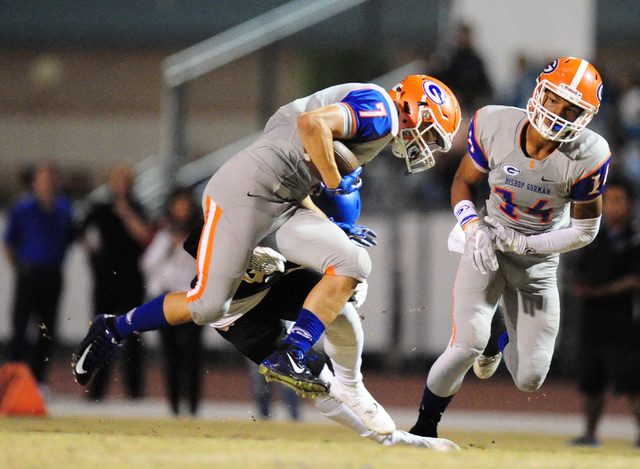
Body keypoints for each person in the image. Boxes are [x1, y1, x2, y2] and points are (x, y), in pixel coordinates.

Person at [72, 74, 462, 431]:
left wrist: (335, 227)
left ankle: (295, 352)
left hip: (285, 200)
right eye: (429, 134)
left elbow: (297, 139)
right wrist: (335, 181)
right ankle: (113, 327)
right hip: (247, 193)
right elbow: (311, 126)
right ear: (415, 109)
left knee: (353, 261)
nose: (425, 146)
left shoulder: (375, 119)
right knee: (208, 305)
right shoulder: (381, 111)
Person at [409, 57, 611, 439]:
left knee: (530, 378)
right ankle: (424, 429)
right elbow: (462, 183)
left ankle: (498, 335)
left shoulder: (590, 154)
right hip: (489, 248)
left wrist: (528, 243)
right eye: (554, 100)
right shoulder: (495, 123)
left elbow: (585, 230)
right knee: (465, 346)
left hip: (537, 265)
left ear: (586, 116)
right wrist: (472, 227)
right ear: (539, 92)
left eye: (572, 109)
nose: (558, 113)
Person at [565, 178, 640, 448]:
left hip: (625, 322)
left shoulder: (635, 240)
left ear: (631, 205)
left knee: (633, 381)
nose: (613, 207)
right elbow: (578, 272)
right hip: (593, 320)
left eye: (620, 200)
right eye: (609, 201)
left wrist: (601, 291)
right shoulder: (594, 239)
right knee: (591, 381)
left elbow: (634, 280)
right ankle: (589, 433)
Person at [79, 164, 153, 400]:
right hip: (105, 280)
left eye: (126, 181)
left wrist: (126, 213)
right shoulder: (99, 208)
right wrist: (92, 254)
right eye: (118, 181)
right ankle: (96, 390)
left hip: (131, 279)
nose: (122, 186)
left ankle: (134, 391)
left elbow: (145, 236)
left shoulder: (139, 208)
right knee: (100, 334)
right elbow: (80, 231)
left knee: (132, 334)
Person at [3, 163, 74, 389]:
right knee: (20, 326)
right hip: (29, 273)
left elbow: (69, 237)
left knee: (47, 328)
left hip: (52, 274)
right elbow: (10, 242)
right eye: (43, 180)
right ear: (35, 182)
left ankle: (38, 379)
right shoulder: (22, 208)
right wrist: (21, 267)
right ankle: (13, 378)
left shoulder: (64, 208)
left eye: (51, 179)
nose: (47, 184)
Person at [140, 188, 203, 416]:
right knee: (172, 354)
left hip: (193, 299)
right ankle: (175, 406)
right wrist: (170, 244)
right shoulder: (165, 233)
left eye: (186, 205)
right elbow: (147, 264)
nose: (182, 210)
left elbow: (206, 264)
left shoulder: (200, 233)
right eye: (178, 205)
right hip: (168, 299)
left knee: (193, 354)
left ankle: (194, 406)